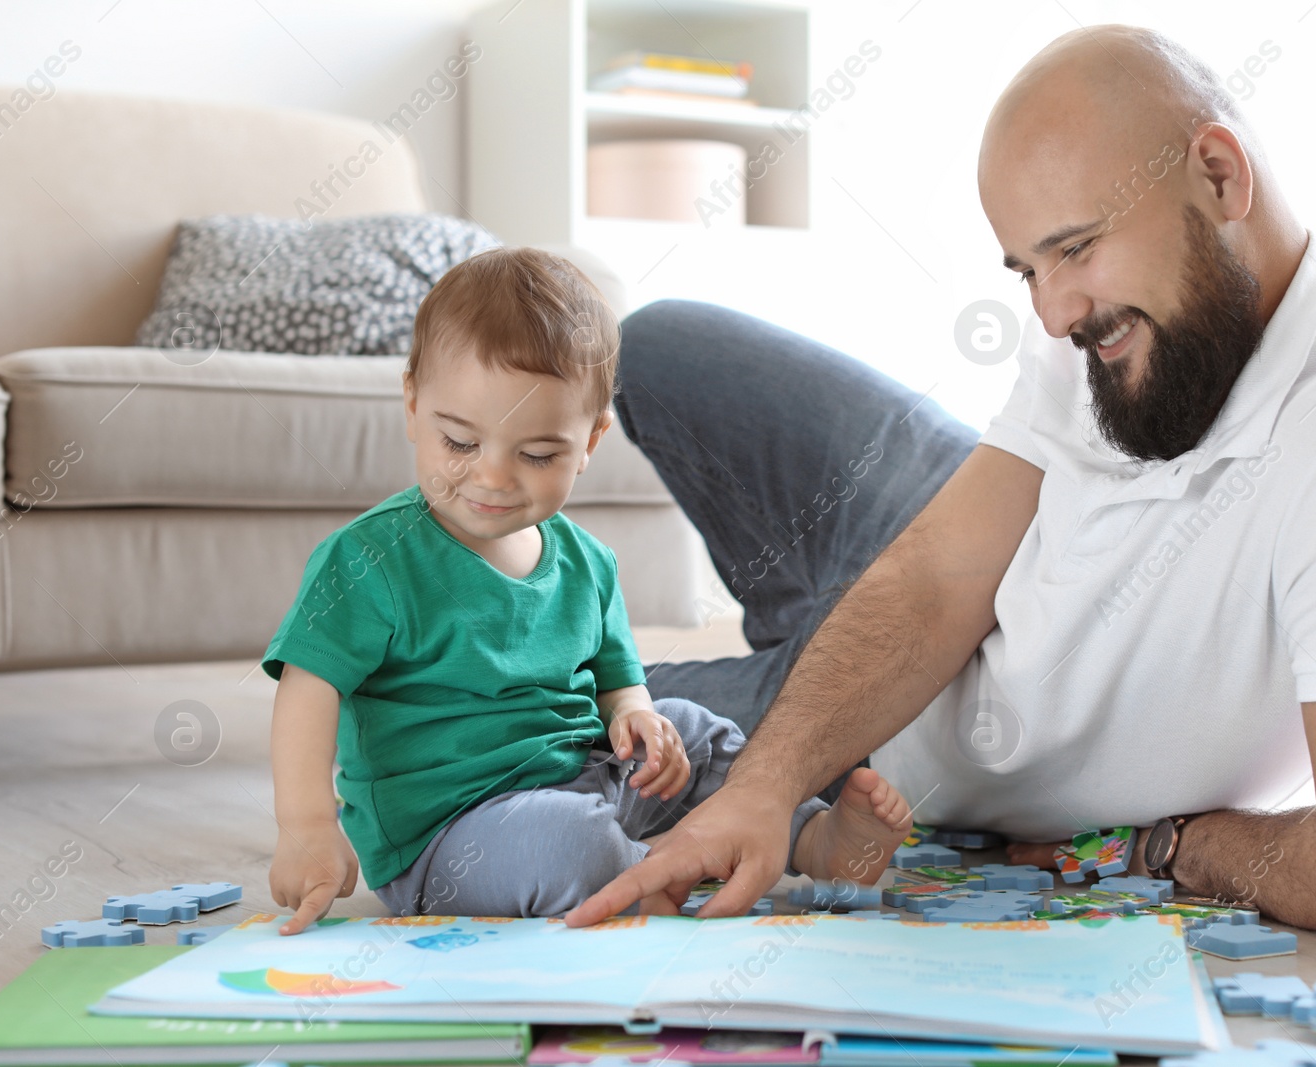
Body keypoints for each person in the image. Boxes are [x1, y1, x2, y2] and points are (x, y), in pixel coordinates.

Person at [565, 26, 1316, 946]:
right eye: (1028, 270)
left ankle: (768, 673)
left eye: (1077, 249)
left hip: (913, 735)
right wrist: (766, 785)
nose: (1052, 316)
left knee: (517, 720)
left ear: (1219, 176)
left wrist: (1179, 844)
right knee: (653, 345)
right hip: (953, 529)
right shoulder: (1114, 314)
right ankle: (787, 643)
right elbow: (938, 574)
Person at [262, 247, 913, 934]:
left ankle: (811, 837)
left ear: (593, 438)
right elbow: (308, 686)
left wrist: (637, 718)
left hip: (588, 776)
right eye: (458, 442)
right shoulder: (371, 558)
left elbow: (617, 681)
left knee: (695, 729)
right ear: (414, 405)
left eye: (538, 455)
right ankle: (651, 864)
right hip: (452, 836)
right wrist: (306, 823)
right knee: (574, 844)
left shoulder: (587, 561)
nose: (492, 477)